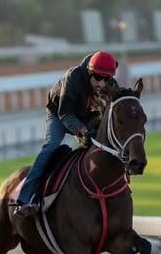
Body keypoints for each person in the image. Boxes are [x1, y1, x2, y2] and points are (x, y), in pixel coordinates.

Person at [13, 51, 118, 217]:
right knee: (51, 145)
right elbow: (65, 114)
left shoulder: (107, 83)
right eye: (98, 78)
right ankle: (26, 197)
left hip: (85, 116)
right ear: (90, 72)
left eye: (106, 79)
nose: (102, 84)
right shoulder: (74, 77)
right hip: (59, 113)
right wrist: (83, 131)